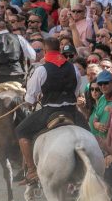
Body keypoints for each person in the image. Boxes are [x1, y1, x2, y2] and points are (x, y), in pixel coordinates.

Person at [14, 37, 87, 184]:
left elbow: (30, 99)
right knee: (90, 134)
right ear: (59, 50)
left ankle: (32, 170)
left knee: (21, 131)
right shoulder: (73, 68)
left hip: (49, 111)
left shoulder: (42, 69)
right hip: (72, 111)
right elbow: (76, 90)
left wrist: (29, 102)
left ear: (46, 51)